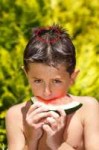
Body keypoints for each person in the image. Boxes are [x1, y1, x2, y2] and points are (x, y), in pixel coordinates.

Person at [5, 25, 99, 150]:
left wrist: (58, 143)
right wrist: (31, 139)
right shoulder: (16, 115)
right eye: (38, 81)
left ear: (72, 77)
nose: (46, 92)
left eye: (56, 81)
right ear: (27, 75)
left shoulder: (88, 109)